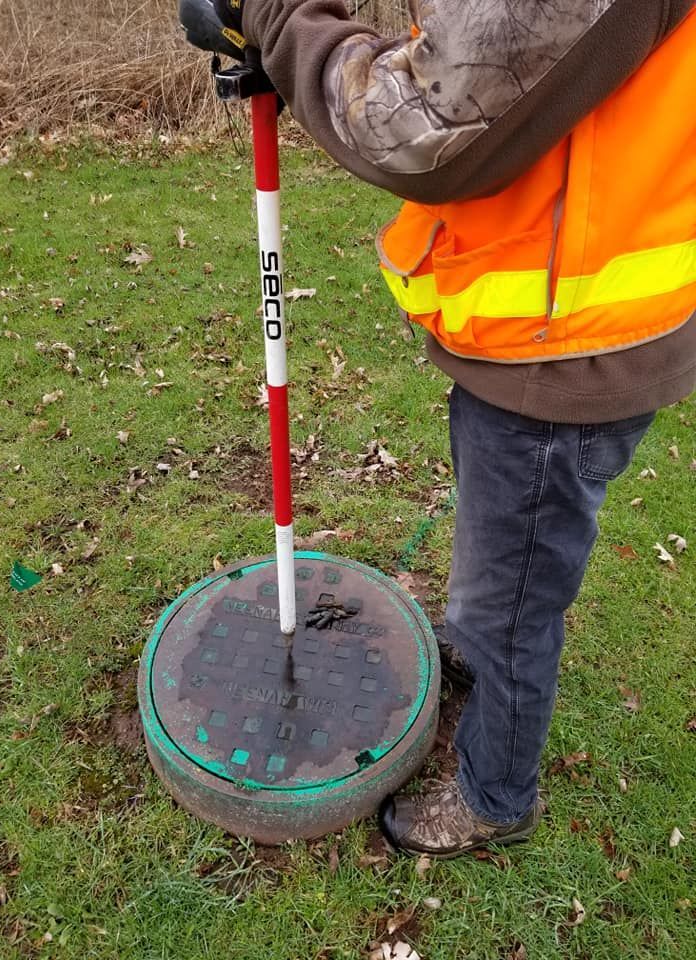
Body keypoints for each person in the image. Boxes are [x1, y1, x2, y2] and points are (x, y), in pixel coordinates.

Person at [180, 0, 696, 857]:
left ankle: (496, 796)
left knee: (512, 602)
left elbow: (425, 120)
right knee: (502, 559)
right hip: (551, 316)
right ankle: (475, 641)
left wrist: (278, 16)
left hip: (564, 345)